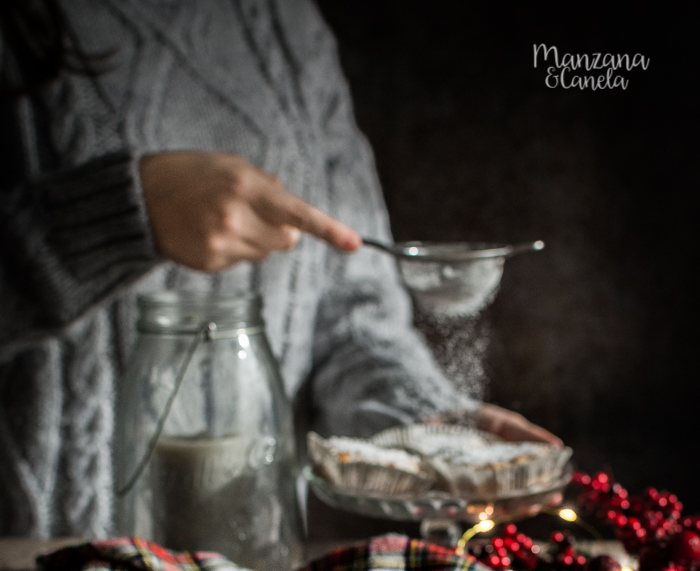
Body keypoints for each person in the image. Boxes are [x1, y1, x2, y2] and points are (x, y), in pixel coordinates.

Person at [0, 0, 560, 539]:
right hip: (32, 564)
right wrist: (118, 215)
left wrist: (419, 428)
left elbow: (352, 319)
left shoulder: (280, 23)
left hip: (251, 563)